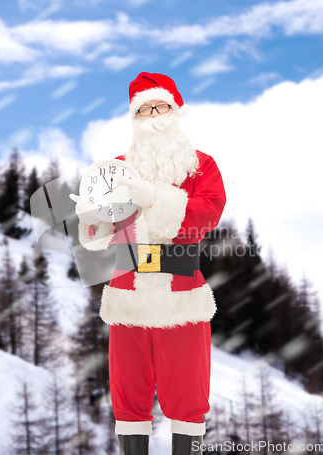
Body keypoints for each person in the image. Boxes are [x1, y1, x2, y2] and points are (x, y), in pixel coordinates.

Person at [70, 72, 226, 455]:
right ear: (135, 118)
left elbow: (204, 217)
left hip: (180, 289)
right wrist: (91, 218)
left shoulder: (201, 166)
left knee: (188, 391)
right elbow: (103, 232)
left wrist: (154, 197)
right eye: (144, 109)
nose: (153, 115)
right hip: (129, 291)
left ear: (176, 111)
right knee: (128, 390)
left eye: (160, 106)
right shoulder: (118, 168)